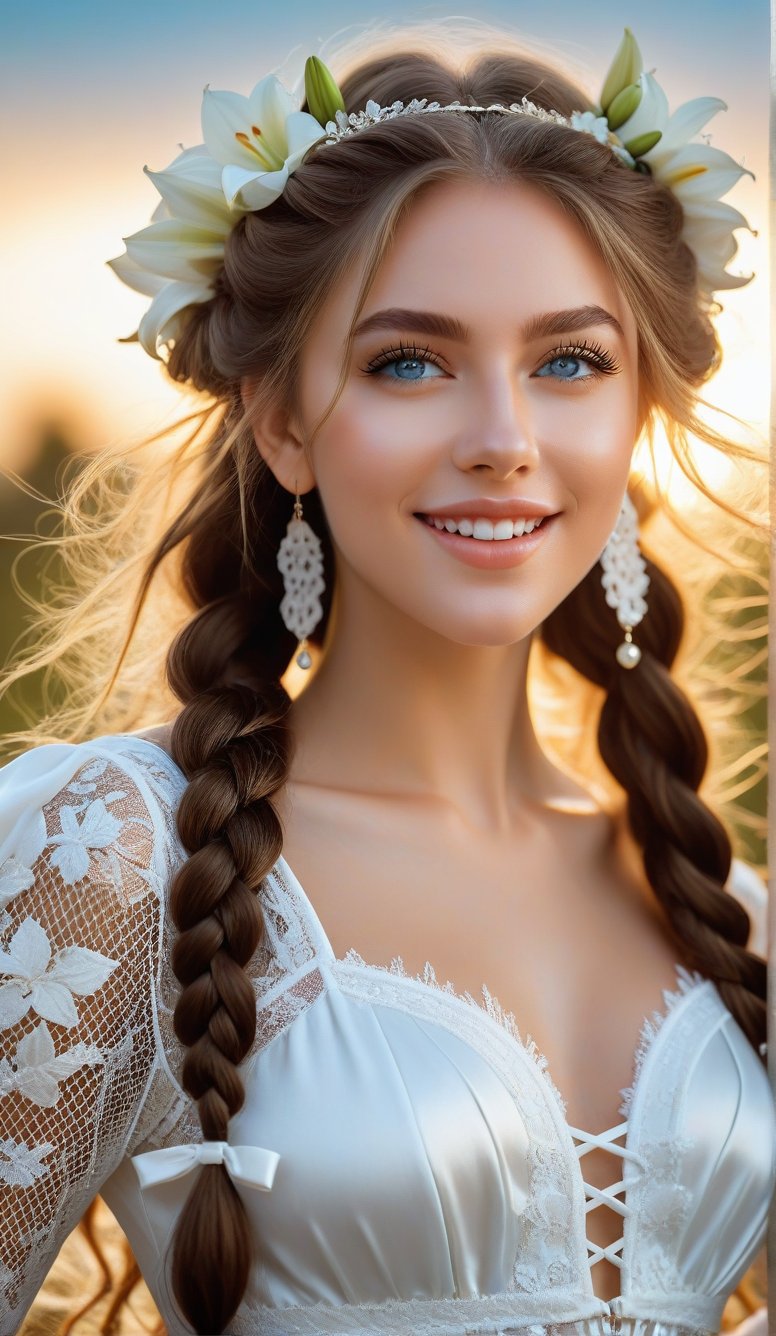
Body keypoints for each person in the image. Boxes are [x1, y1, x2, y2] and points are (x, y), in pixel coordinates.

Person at [0, 18, 772, 1336]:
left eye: (569, 361)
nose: (502, 441)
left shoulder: (727, 910)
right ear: (283, 420)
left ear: (636, 410)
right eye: (409, 361)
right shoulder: (113, 857)